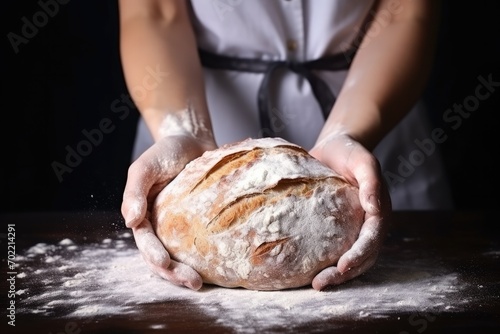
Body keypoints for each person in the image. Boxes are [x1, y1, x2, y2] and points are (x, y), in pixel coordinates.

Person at [118, 0, 452, 291]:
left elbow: (403, 13)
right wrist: (182, 130)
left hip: (373, 114)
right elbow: (154, 13)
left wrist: (349, 132)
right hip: (189, 118)